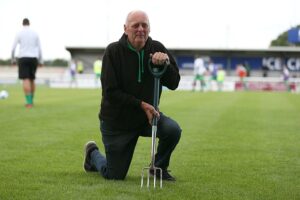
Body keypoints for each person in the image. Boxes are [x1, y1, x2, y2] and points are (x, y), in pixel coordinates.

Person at [83, 10, 181, 181]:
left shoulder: (157, 48)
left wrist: (165, 64)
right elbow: (110, 92)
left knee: (172, 130)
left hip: (147, 118)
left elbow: (174, 83)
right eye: (136, 25)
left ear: (149, 28)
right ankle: (92, 153)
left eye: (145, 25)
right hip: (117, 122)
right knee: (114, 175)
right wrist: (141, 104)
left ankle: (158, 167)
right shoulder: (113, 52)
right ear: (125, 28)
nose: (141, 29)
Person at [11, 18, 43, 108]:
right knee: (32, 79)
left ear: (22, 23)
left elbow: (13, 48)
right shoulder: (35, 33)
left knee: (26, 79)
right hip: (34, 58)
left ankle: (29, 102)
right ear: (29, 23)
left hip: (23, 57)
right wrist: (41, 60)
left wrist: (13, 59)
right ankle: (31, 100)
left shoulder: (19, 33)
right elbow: (40, 48)